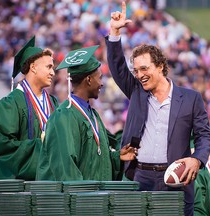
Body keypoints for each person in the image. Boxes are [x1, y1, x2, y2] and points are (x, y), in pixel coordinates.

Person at [105, 2, 210, 215]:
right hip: (140, 176)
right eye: (136, 71)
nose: (139, 74)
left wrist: (196, 159)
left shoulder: (191, 98)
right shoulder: (136, 91)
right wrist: (115, 32)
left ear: (161, 66)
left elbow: (203, 136)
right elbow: (117, 67)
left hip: (176, 178)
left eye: (144, 68)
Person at [36, 45, 137, 181]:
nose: (101, 84)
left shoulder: (92, 114)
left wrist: (117, 157)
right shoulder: (63, 117)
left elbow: (95, 160)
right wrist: (84, 198)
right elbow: (66, 171)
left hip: (96, 197)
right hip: (82, 199)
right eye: (99, 78)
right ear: (89, 80)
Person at [0, 36, 58, 180]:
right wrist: (43, 147)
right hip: (22, 189)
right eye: (49, 67)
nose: (53, 73)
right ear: (33, 67)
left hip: (52, 187)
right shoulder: (11, 103)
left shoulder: (54, 103)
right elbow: (5, 148)